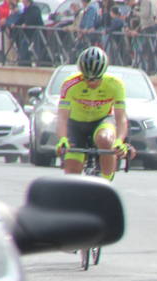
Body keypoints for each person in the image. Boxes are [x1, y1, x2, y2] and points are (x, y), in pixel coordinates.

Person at [54, 45, 133, 180]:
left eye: (96, 79)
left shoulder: (116, 84)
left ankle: (106, 183)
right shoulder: (70, 84)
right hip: (76, 124)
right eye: (87, 78)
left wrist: (119, 141)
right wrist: (62, 139)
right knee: (72, 175)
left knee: (106, 140)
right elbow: (62, 117)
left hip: (102, 120)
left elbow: (121, 118)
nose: (91, 82)